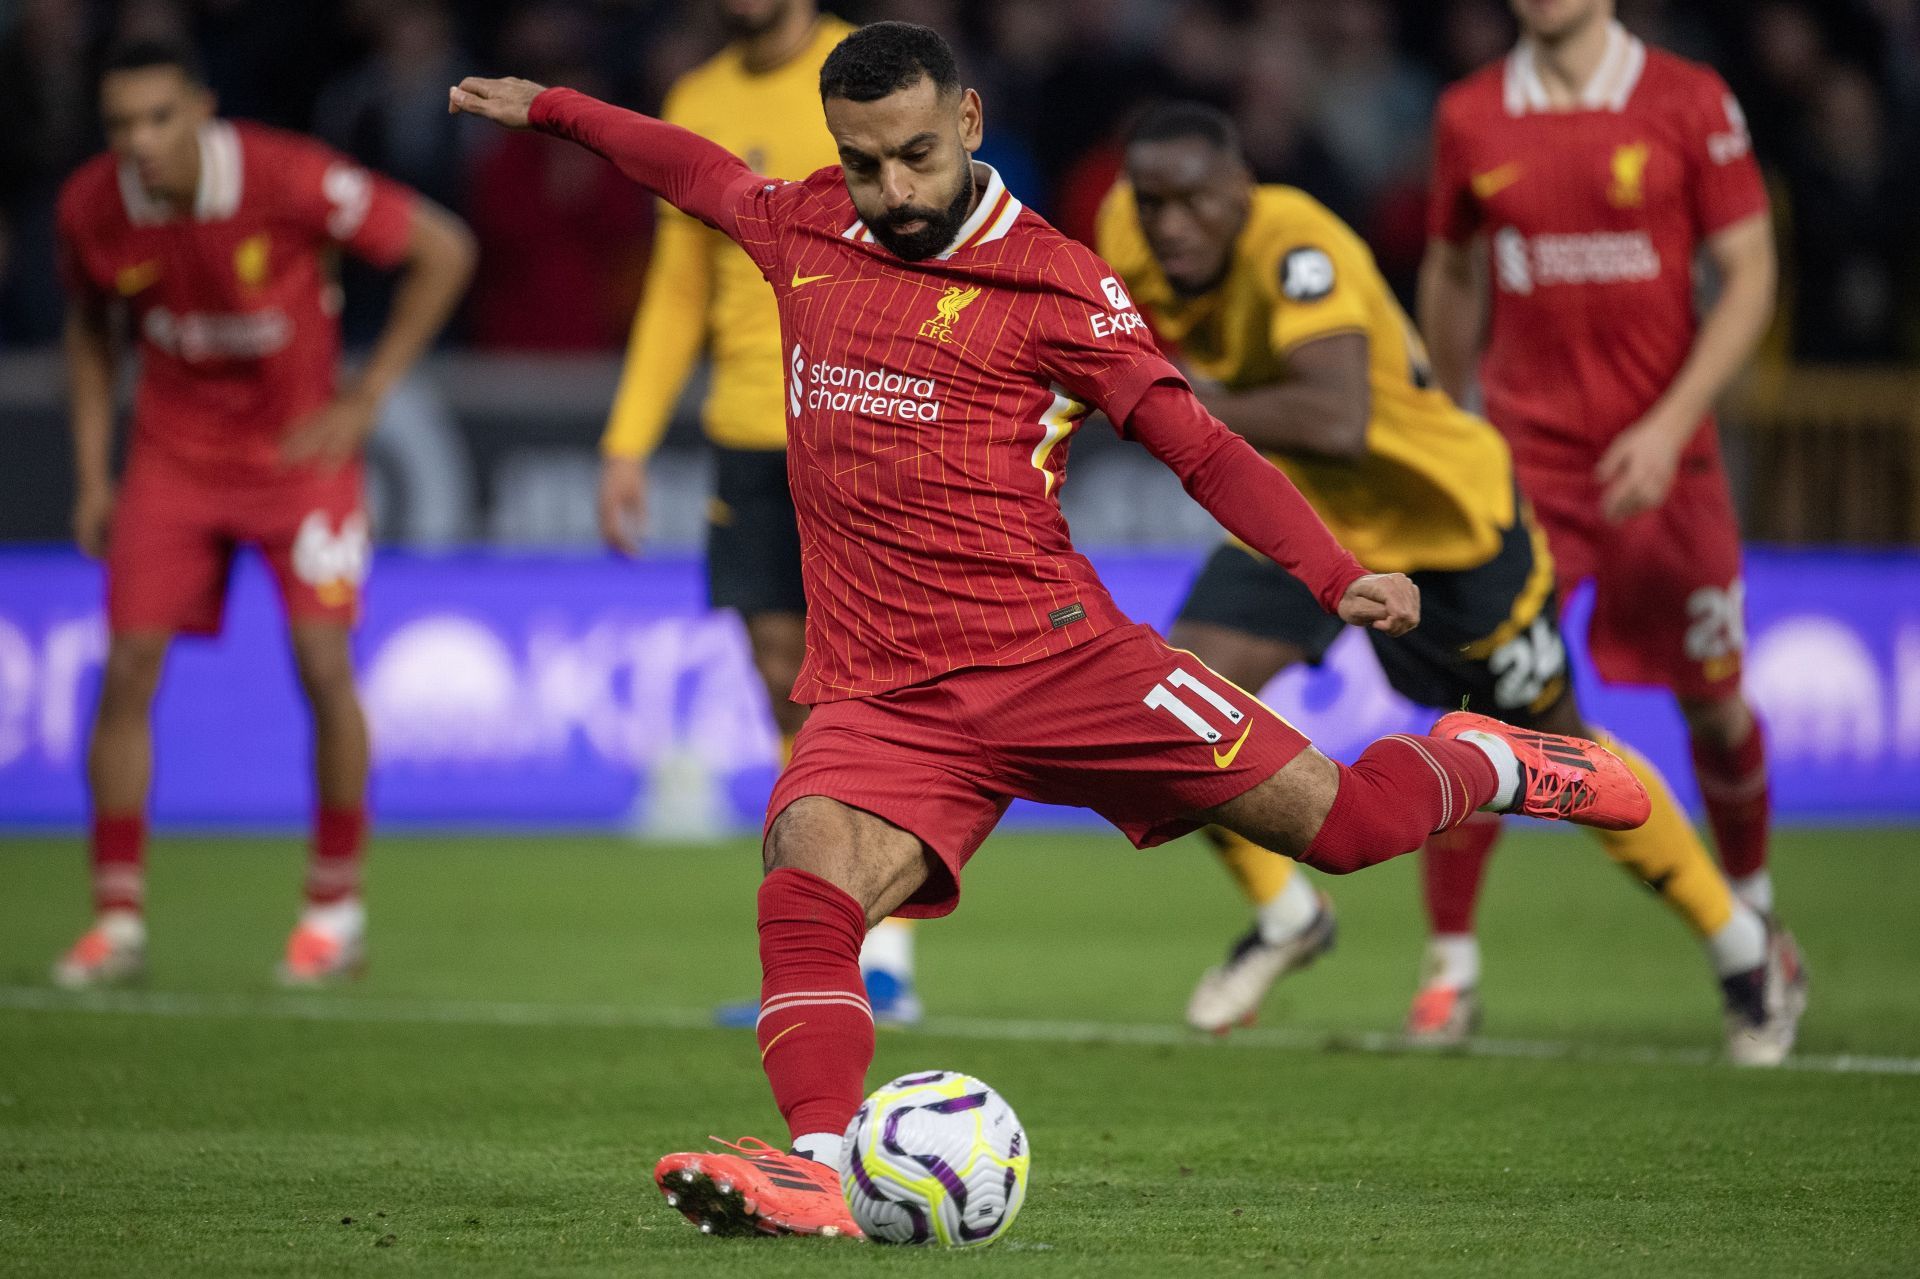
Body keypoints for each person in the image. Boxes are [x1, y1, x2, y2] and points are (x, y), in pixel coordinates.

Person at [449, 21, 1649, 1240]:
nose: (895, 191)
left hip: (1062, 662)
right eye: (866, 164)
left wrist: (1333, 573)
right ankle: (821, 1164)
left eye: (917, 155)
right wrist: (554, 106)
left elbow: (1199, 444)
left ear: (969, 124)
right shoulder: (800, 224)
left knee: (1343, 827)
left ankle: (1500, 757)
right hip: (885, 691)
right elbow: (688, 166)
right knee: (804, 874)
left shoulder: (1057, 282)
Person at [1097, 101, 1801, 1065]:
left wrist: (1164, 404)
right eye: (1152, 201)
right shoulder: (1125, 236)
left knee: (1560, 747)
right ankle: (1288, 916)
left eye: (1191, 202)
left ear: (1240, 192)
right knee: (1178, 710)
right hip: (1301, 519)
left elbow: (1338, 414)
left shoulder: (1298, 246)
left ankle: (1742, 948)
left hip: (1447, 528)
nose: (1169, 224)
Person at [52, 39, 473, 988]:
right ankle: (115, 921)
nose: (139, 142)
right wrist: (92, 473)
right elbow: (87, 333)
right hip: (172, 458)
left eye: (157, 118)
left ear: (200, 109)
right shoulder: (90, 205)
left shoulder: (289, 178)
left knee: (323, 662)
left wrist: (364, 399)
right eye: (120, 125)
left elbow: (445, 250)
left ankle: (335, 910)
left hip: (298, 460)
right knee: (126, 666)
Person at [1419, 0, 1798, 1039]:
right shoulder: (1470, 115)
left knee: (1715, 707)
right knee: (1488, 697)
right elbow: (1451, 268)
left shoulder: (1689, 100)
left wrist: (1673, 422)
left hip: (1668, 466)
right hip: (1530, 466)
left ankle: (1758, 929)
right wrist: (1448, 423)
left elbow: (1751, 271)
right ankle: (1449, 968)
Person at [596, 0, 921, 1028]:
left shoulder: (865, 74)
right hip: (747, 427)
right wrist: (628, 436)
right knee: (787, 682)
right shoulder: (697, 97)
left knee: (877, 687)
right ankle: (844, 942)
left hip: (861, 417)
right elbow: (679, 283)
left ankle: (890, 955)